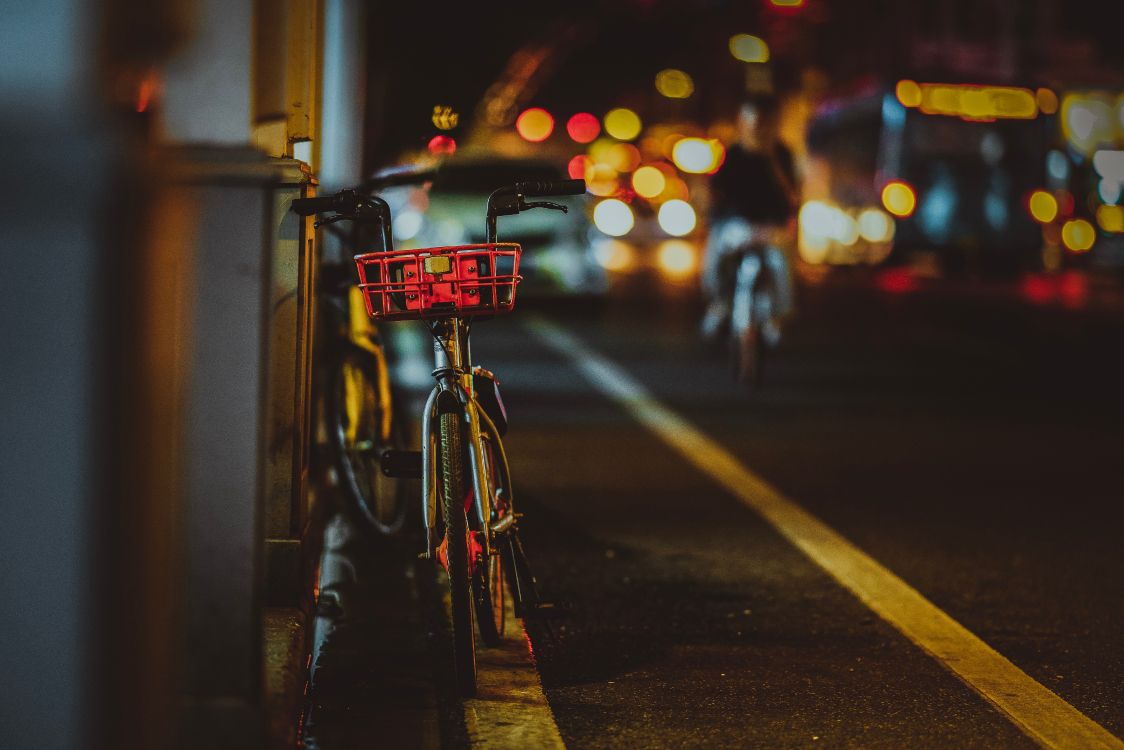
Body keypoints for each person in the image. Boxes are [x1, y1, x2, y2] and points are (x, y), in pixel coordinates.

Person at [700, 95, 799, 342]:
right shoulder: (732, 153)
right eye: (751, 123)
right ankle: (719, 304)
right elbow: (714, 192)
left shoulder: (782, 154)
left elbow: (792, 195)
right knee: (716, 259)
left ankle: (777, 315)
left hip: (771, 226)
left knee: (781, 264)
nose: (756, 129)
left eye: (762, 123)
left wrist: (772, 161)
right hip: (736, 225)